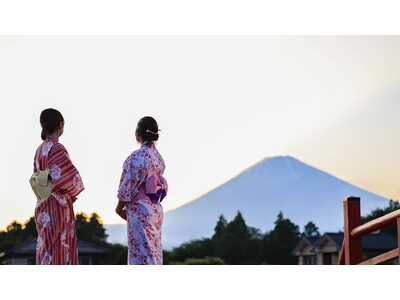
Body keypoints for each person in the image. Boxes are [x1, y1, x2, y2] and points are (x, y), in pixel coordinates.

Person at [32, 108, 84, 265]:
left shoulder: (39, 150)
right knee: (60, 249)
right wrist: (71, 194)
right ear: (60, 125)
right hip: (56, 206)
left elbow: (36, 178)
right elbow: (70, 178)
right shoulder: (57, 148)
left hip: (42, 205)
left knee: (46, 249)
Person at [116, 116, 168, 265]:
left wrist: (118, 209)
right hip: (154, 211)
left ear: (137, 133)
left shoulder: (137, 157)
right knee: (153, 256)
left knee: (141, 257)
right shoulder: (158, 158)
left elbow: (126, 189)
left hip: (140, 210)